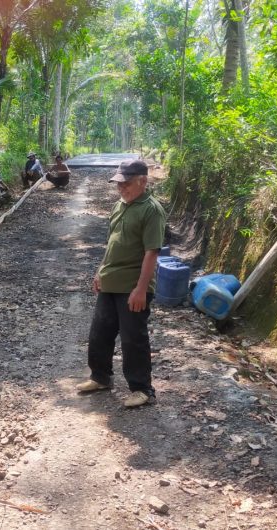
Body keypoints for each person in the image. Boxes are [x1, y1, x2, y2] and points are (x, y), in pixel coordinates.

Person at [76, 159, 165, 408]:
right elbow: (112, 243)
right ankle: (101, 377)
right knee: (99, 334)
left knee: (132, 338)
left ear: (143, 182)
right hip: (110, 281)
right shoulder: (119, 206)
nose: (121, 189)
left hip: (133, 286)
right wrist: (100, 271)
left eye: (126, 184)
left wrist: (140, 289)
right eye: (118, 184)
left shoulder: (151, 210)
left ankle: (142, 389)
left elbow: (151, 253)